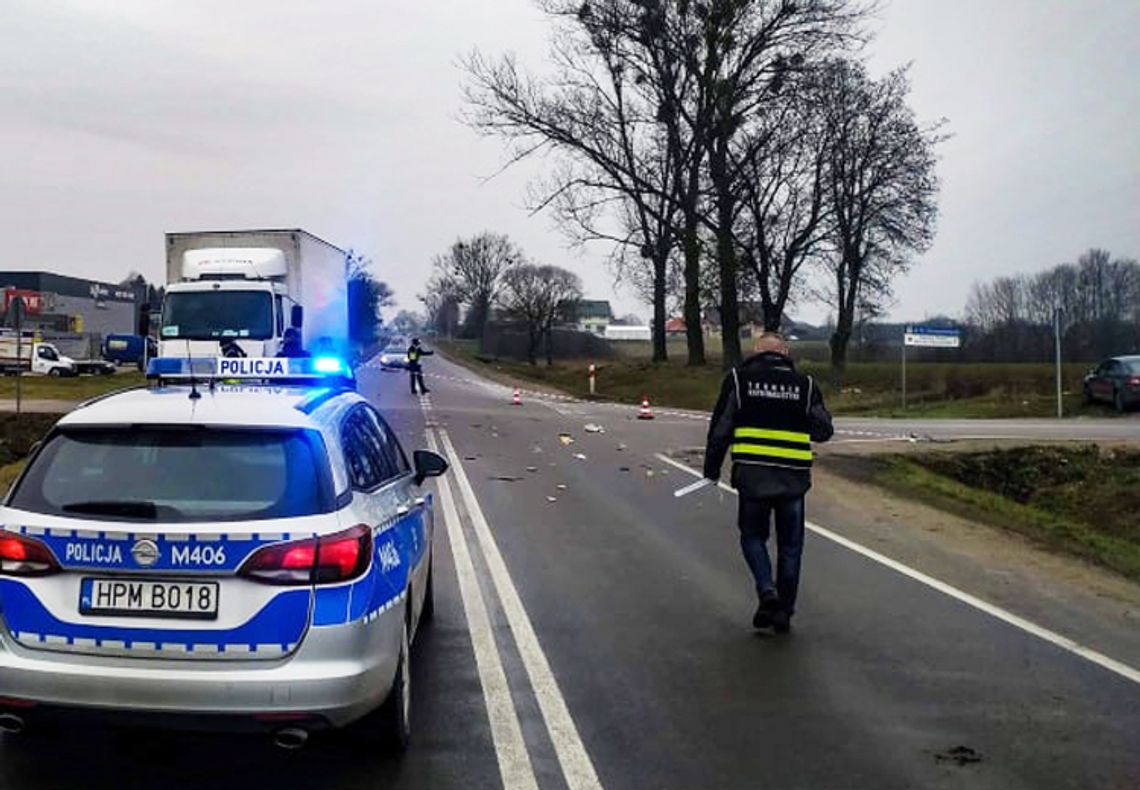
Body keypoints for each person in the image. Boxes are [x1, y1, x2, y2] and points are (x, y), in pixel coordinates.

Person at [703, 332, 833, 633]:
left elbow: (721, 428)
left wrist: (712, 469)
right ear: (785, 352)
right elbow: (823, 430)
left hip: (753, 476)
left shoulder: (738, 380)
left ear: (755, 352)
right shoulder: (807, 385)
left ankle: (766, 590)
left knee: (752, 537)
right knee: (790, 547)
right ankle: (783, 614)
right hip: (793, 479)